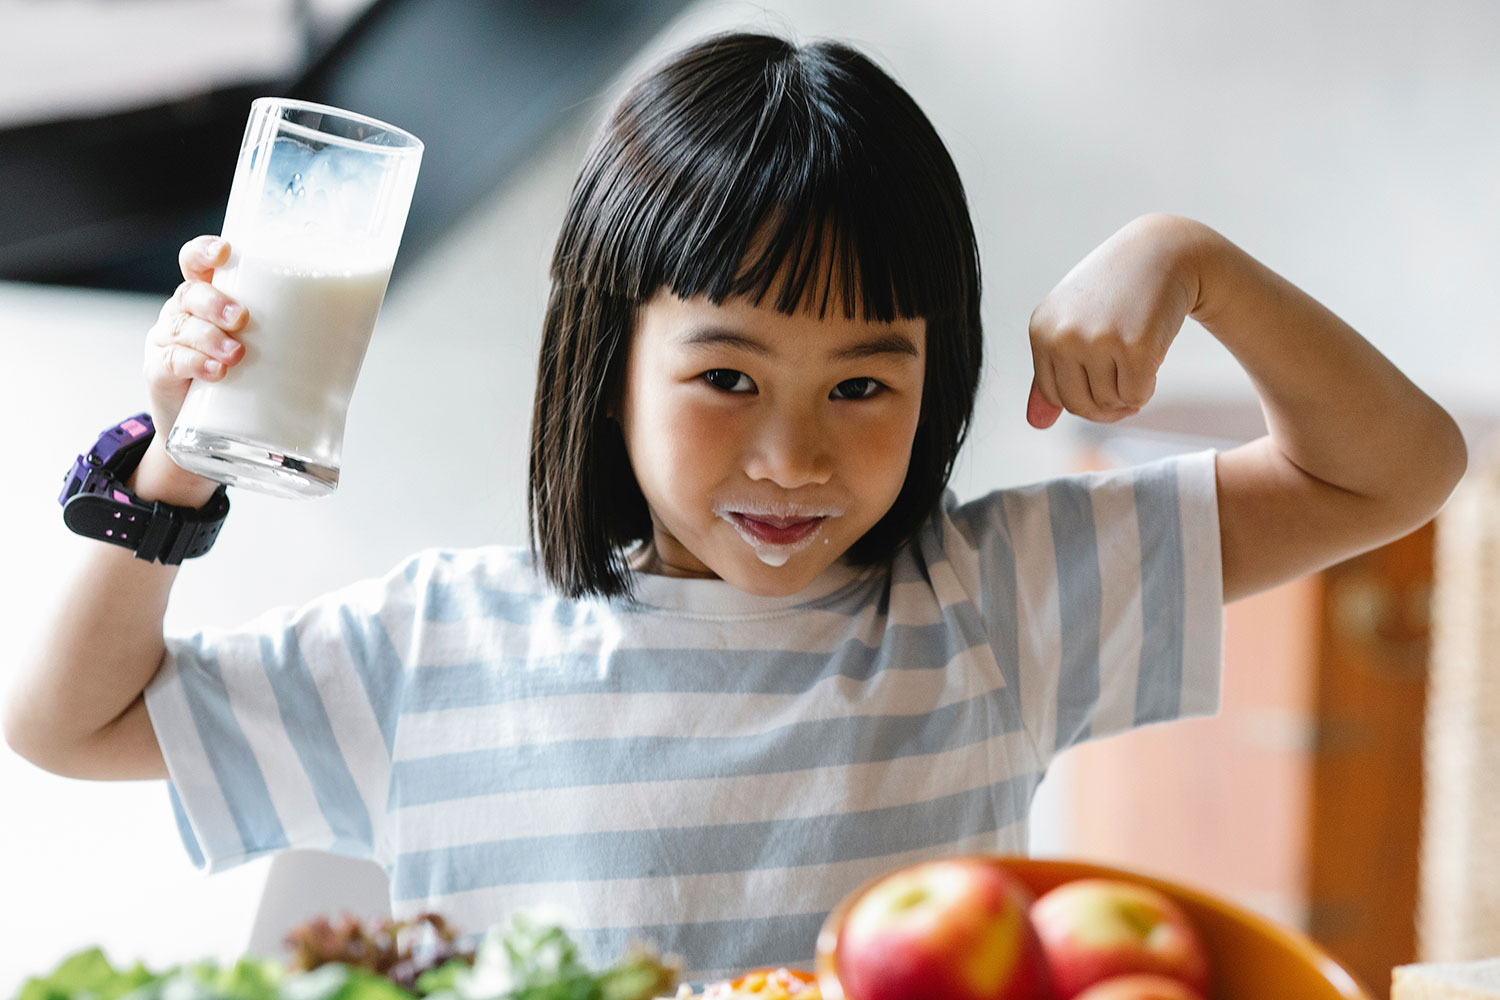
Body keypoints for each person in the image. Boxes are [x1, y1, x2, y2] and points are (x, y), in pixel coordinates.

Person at [4, 30, 1466, 984]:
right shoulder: (441, 638)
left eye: (861, 388)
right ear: (606, 360)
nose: (791, 460)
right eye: (725, 377)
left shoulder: (998, 597)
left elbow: (1396, 469)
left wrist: (1190, 257)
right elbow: (68, 722)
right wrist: (180, 458)